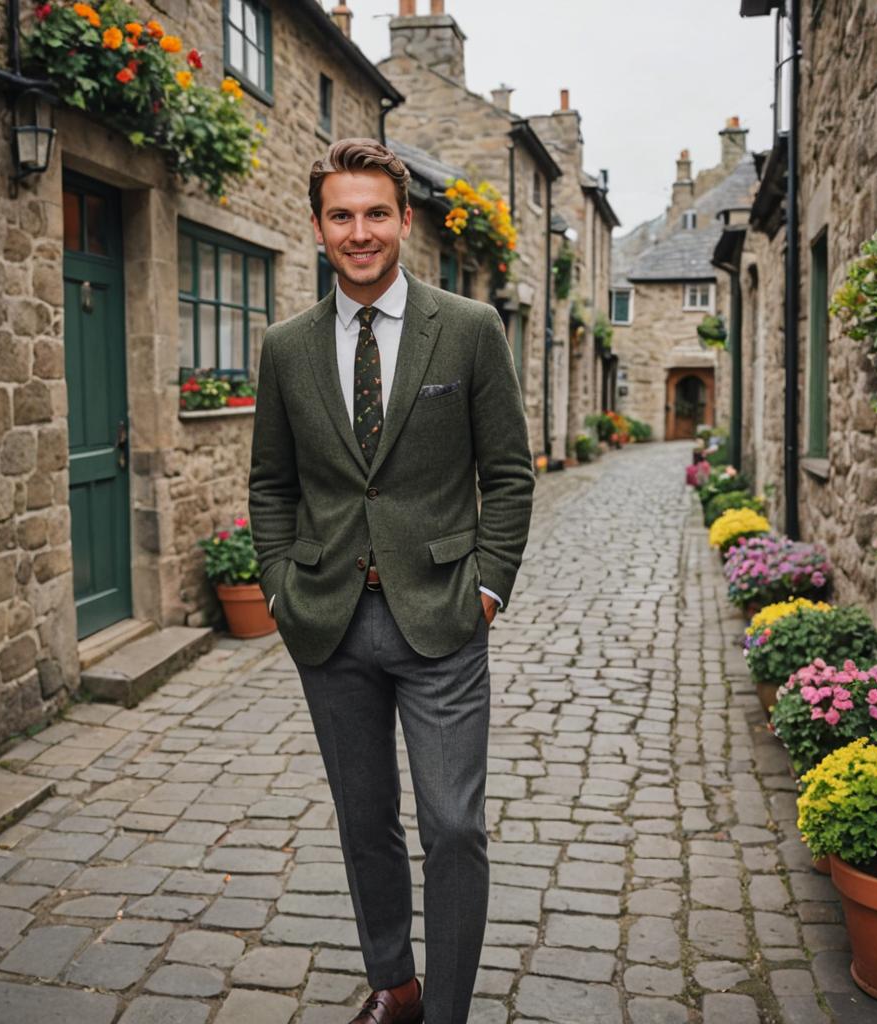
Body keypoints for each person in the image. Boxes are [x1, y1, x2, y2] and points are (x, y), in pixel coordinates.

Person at [248, 138, 534, 1024]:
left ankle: (446, 1009)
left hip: (442, 618)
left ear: (405, 220)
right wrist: (279, 584)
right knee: (363, 820)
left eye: (376, 213)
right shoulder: (286, 347)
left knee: (454, 826)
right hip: (329, 622)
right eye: (342, 215)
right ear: (317, 226)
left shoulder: (471, 328)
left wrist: (486, 588)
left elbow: (511, 473)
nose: (360, 232)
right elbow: (271, 483)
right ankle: (394, 985)